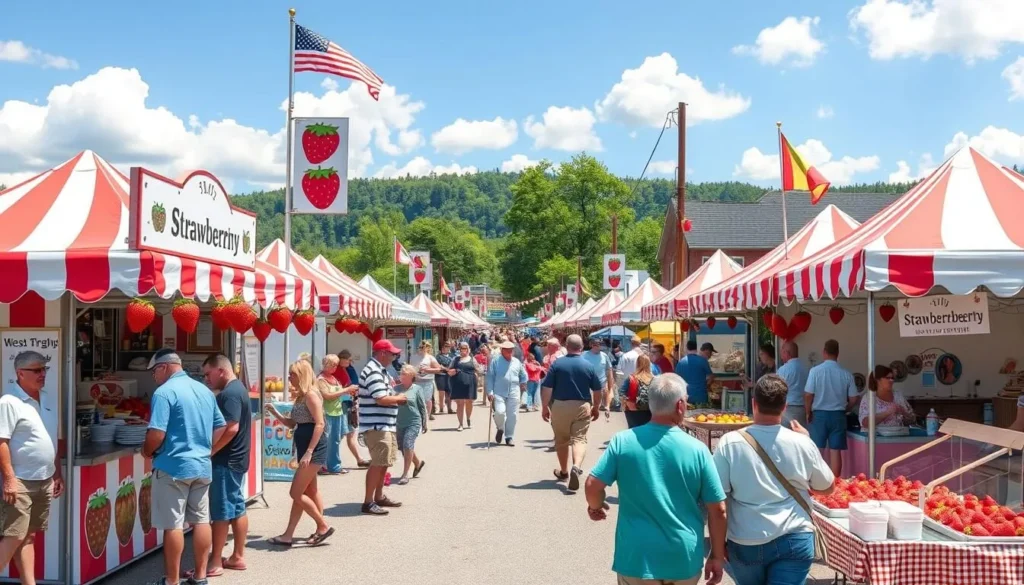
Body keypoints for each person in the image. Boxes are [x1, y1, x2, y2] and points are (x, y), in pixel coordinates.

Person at [585, 374, 727, 585]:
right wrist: (716, 555)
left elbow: (592, 485)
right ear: (680, 405)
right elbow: (718, 510)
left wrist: (595, 507)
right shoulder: (698, 450)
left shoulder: (623, 441)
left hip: (637, 557)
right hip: (683, 558)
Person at [713, 374, 835, 585]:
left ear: (754, 403)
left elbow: (718, 502)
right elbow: (827, 487)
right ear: (784, 406)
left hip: (746, 538)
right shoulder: (802, 442)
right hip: (795, 536)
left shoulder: (729, 443)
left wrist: (716, 548)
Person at [142, 349, 226, 585]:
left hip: (173, 466)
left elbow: (156, 434)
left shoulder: (164, 392)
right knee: (201, 521)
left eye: (155, 371)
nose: (154, 377)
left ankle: (172, 580)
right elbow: (220, 426)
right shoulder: (203, 390)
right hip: (201, 465)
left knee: (174, 525)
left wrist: (147, 450)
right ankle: (200, 577)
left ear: (165, 367)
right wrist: (207, 449)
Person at [0, 351, 63, 585]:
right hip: (21, 481)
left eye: (44, 369)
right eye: (37, 370)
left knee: (29, 537)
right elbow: (1, 442)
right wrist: (9, 479)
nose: (42, 374)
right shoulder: (9, 402)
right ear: (20, 373)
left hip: (44, 479)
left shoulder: (46, 398)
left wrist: (57, 472)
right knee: (14, 535)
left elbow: (52, 438)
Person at [265, 360, 334, 546]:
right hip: (305, 448)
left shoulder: (311, 395)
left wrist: (309, 452)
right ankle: (289, 534)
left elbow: (319, 424)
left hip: (313, 449)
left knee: (295, 493)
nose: (289, 378)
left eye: (292, 374)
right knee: (308, 491)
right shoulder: (301, 397)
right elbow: (292, 423)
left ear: (301, 375)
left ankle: (322, 526)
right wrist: (275, 412)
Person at [202, 354, 251, 575]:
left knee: (221, 511)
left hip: (226, 460)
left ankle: (215, 562)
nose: (206, 379)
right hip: (237, 458)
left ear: (221, 370)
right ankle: (238, 555)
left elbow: (231, 428)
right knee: (237, 506)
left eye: (208, 374)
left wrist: (211, 451)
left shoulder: (230, 393)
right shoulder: (238, 388)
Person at [541, 334, 603, 492]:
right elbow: (597, 389)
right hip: (582, 405)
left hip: (560, 405)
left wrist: (544, 407)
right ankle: (576, 466)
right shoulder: (588, 365)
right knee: (579, 439)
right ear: (582, 347)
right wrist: (596, 407)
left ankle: (564, 472)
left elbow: (547, 388)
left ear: (566, 346)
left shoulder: (557, 365)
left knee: (562, 440)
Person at [357, 339, 408, 515]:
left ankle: (378, 496)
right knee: (377, 464)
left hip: (384, 424)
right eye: (392, 353)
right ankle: (368, 501)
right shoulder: (373, 371)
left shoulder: (381, 371)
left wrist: (395, 395)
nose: (395, 357)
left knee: (384, 462)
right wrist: (399, 399)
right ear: (382, 353)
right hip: (377, 425)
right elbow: (381, 398)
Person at [804, 339, 859, 478]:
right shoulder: (846, 374)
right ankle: (835, 482)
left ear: (824, 352)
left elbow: (808, 394)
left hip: (819, 415)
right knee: (835, 451)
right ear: (838, 353)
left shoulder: (815, 371)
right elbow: (854, 398)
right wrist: (847, 408)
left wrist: (807, 411)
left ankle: (817, 480)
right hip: (838, 415)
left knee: (817, 450)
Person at [315, 354, 359, 475]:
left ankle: (334, 465)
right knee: (326, 440)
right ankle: (322, 465)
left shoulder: (333, 378)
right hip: (327, 413)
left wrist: (349, 393)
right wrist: (345, 390)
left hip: (338, 412)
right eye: (333, 364)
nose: (335, 367)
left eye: (336, 364)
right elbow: (327, 396)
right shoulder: (321, 379)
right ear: (327, 365)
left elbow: (338, 394)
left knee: (335, 440)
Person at [486, 341, 528, 446]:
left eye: (511, 350)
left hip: (514, 391)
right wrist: (490, 391)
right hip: (499, 391)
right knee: (500, 412)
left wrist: (523, 382)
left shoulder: (516, 362)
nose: (510, 353)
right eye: (507, 351)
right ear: (502, 350)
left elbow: (523, 374)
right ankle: (500, 428)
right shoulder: (495, 361)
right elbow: (490, 377)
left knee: (512, 415)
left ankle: (509, 437)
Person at [336, 350, 371, 468]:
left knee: (351, 432)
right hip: (340, 404)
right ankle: (330, 461)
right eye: (348, 359)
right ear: (341, 359)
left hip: (350, 403)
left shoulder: (350, 369)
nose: (350, 362)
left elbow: (356, 383)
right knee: (338, 434)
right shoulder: (335, 371)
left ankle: (359, 459)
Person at [395, 365, 427, 485]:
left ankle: (405, 474)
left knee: (407, 444)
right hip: (399, 422)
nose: (401, 376)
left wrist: (424, 423)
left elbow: (422, 406)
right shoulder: (396, 388)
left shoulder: (417, 389)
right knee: (402, 447)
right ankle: (418, 463)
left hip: (413, 421)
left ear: (411, 376)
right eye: (401, 373)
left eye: (404, 374)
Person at [447, 342, 478, 431]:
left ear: (468, 350)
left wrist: (477, 373)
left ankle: (468, 418)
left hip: (470, 383)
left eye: (465, 349)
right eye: (461, 349)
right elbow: (449, 370)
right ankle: (460, 424)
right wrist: (452, 372)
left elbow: (479, 369)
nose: (463, 351)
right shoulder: (455, 359)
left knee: (469, 402)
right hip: (458, 383)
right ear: (459, 350)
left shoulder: (472, 359)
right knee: (460, 404)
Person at [583, 337, 615, 420]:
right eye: (597, 344)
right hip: (588, 386)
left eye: (600, 344)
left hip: (601, 385)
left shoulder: (604, 356)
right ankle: (587, 418)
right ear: (592, 345)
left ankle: (600, 411)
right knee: (588, 406)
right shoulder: (584, 355)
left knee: (597, 405)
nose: (599, 346)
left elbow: (609, 370)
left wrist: (610, 386)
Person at [777, 342, 809, 427]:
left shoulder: (783, 370)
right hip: (803, 409)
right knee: (801, 437)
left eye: (782, 352)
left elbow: (777, 390)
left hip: (787, 409)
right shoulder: (807, 368)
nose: (781, 356)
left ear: (787, 353)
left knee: (785, 438)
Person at [620, 354, 655, 429]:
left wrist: (627, 404)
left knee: (634, 430)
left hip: (633, 410)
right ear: (649, 364)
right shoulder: (654, 379)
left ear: (637, 364)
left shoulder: (631, 378)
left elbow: (622, 392)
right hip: (650, 410)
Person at [410, 341, 442, 422]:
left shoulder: (430, 358)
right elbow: (410, 367)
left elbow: (439, 369)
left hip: (427, 381)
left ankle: (426, 416)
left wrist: (428, 370)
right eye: (421, 347)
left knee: (427, 400)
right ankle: (418, 416)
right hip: (416, 381)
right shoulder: (413, 357)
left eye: (425, 347)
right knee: (416, 399)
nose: (422, 349)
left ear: (428, 348)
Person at [675, 339, 714, 405]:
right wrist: (707, 385)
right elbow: (711, 377)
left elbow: (676, 380)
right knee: (702, 415)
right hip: (701, 396)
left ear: (686, 348)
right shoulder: (703, 361)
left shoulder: (681, 362)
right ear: (696, 348)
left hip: (686, 397)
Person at [434, 341, 455, 415]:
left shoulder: (452, 355)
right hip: (441, 375)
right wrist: (447, 369)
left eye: (449, 346)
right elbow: (439, 365)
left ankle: (449, 408)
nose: (447, 348)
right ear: (443, 348)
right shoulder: (438, 356)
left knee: (449, 392)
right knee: (441, 391)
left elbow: (454, 364)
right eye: (446, 346)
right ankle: (441, 408)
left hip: (449, 376)